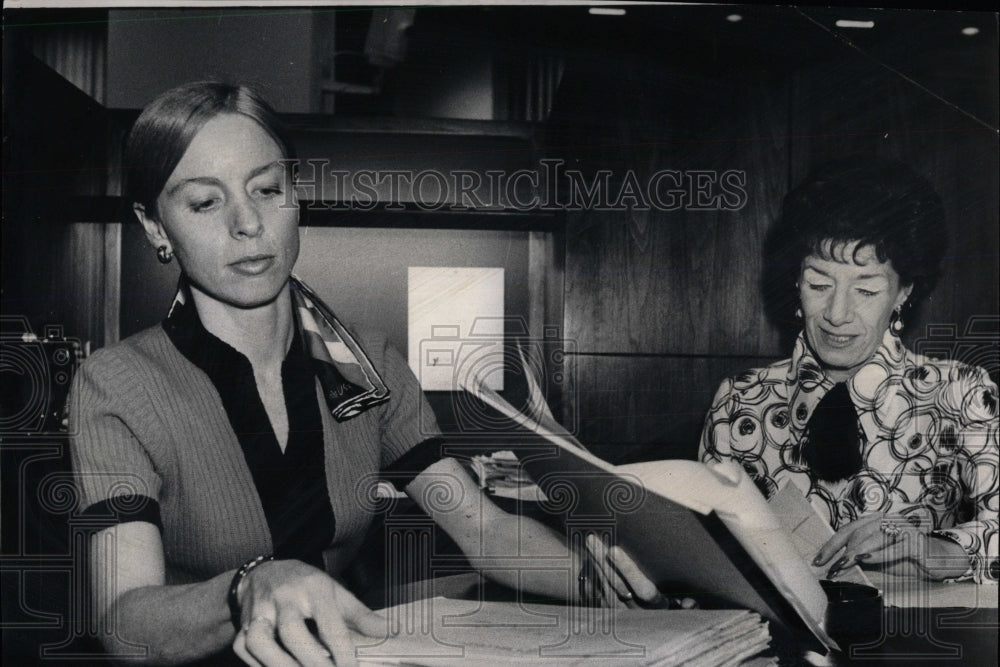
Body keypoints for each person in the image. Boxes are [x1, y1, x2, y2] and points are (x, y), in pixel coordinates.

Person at [69, 82, 657, 666]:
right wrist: (247, 586)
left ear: (295, 197)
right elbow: (125, 624)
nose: (248, 222)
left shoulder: (367, 363)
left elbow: (486, 532)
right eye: (205, 202)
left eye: (267, 189)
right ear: (153, 227)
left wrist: (600, 577)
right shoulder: (117, 384)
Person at [699, 156, 998, 584]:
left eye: (867, 289)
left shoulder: (959, 394)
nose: (837, 314)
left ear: (903, 293)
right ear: (795, 282)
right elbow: (709, 556)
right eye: (819, 285)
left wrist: (935, 550)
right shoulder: (740, 400)